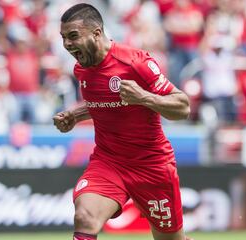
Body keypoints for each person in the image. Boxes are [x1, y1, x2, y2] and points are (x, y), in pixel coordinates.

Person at [53, 3, 191, 240]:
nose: (67, 44)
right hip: (109, 162)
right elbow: (105, 102)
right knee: (85, 217)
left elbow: (183, 106)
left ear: (96, 33)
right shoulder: (82, 70)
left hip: (151, 166)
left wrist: (144, 97)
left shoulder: (135, 63)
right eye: (64, 38)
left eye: (73, 36)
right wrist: (75, 116)